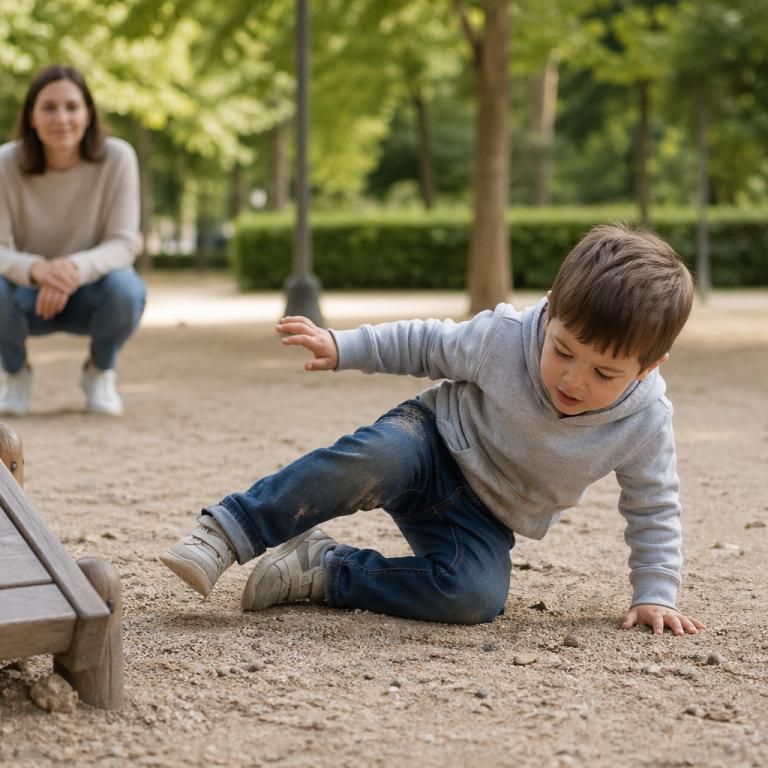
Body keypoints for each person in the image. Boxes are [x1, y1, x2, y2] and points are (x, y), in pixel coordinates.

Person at [161, 224, 706, 636]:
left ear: (649, 366)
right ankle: (231, 529)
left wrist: (656, 592)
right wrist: (345, 346)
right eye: (562, 349)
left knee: (473, 598)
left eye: (604, 373)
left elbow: (654, 504)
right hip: (430, 445)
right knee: (373, 459)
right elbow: (426, 343)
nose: (572, 377)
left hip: (487, 517)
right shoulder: (506, 337)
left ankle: (324, 569)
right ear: (550, 308)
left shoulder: (645, 421)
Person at [0, 64, 146, 416]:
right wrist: (37, 270)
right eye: (48, 107)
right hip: (25, 297)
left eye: (72, 106)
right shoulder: (5, 163)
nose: (61, 118)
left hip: (93, 293)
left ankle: (99, 371)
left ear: (88, 114)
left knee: (128, 289)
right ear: (32, 116)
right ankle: (15, 372)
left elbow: (124, 243)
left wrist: (70, 270)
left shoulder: (118, 158)